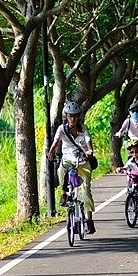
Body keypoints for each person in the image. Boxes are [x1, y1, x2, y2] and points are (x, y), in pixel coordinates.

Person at [48, 100, 97, 234]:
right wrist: (51, 152)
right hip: (68, 161)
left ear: (79, 116)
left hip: (82, 162)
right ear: (67, 116)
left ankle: (89, 220)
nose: (73, 119)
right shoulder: (62, 129)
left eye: (75, 116)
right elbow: (56, 141)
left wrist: (90, 151)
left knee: (85, 191)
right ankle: (64, 194)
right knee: (61, 170)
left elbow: (88, 141)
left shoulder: (84, 129)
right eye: (71, 116)